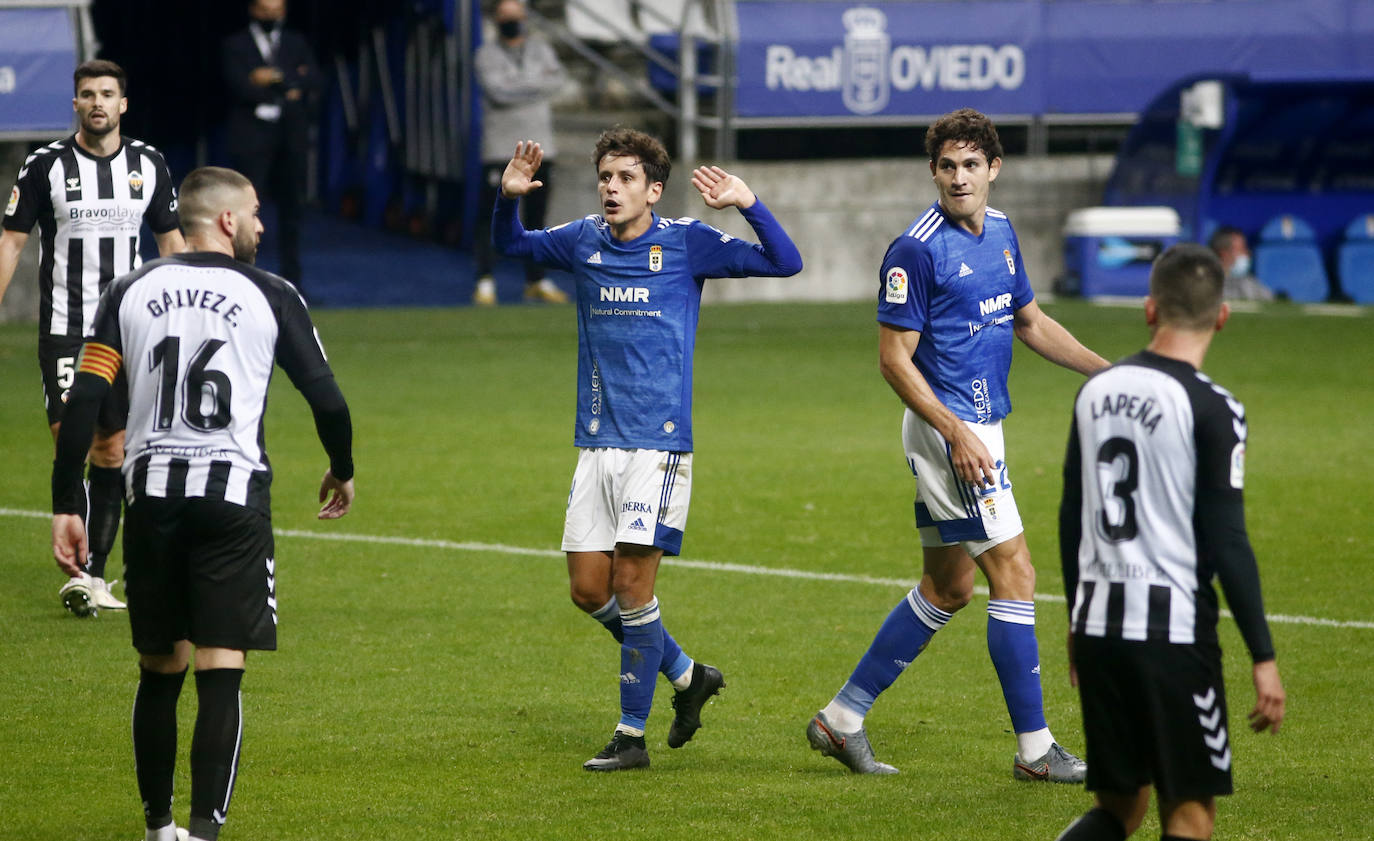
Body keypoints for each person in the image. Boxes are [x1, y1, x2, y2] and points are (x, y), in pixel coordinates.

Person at [50, 165, 355, 841]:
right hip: (232, 501)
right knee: (221, 668)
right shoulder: (272, 293)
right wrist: (342, 467)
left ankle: (158, 829)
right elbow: (328, 400)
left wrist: (66, 501)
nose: (261, 226)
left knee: (161, 667)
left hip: (152, 498)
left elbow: (87, 400)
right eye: (254, 212)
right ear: (225, 220)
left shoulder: (128, 290)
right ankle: (203, 832)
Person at [806, 108, 1109, 779]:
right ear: (934, 172)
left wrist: (1106, 371)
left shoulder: (1000, 231)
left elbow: (1029, 321)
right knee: (1016, 572)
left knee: (948, 586)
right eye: (947, 166)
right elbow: (893, 360)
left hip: (977, 428)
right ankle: (1036, 751)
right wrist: (955, 433)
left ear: (994, 168)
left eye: (972, 164)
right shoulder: (916, 250)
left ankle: (841, 718)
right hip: (949, 431)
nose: (959, 177)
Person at [494, 129, 802, 770]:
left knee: (632, 587)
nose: (612, 188)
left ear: (653, 190)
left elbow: (785, 261)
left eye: (626, 178)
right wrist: (509, 198)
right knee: (589, 590)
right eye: (605, 177)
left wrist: (748, 203)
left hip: (658, 450)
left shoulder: (687, 243)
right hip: (596, 443)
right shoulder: (583, 240)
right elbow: (511, 245)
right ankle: (689, 676)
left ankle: (630, 735)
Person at [1054, 243, 1285, 841]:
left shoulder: (1095, 392)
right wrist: (1263, 658)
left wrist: (1077, 619)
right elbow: (1228, 540)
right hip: (1174, 640)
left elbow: (1072, 515)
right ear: (1223, 316)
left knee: (1119, 808)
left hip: (1100, 629)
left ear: (1150, 309)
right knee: (1190, 814)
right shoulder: (1215, 409)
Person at [0, 58, 185, 616]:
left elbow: (170, 243)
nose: (98, 102)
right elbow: (11, 242)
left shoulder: (149, 164)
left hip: (128, 331)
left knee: (113, 448)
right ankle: (77, 556)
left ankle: (94, 576)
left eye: (107, 93)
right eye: (88, 94)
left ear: (122, 104)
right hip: (65, 330)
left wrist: (184, 314)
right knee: (70, 439)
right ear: (76, 103)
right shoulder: (45, 166)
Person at [471, 0, 569, 307]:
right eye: (506, 16)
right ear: (496, 19)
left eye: (516, 15)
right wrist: (536, 84)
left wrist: (517, 84)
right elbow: (497, 91)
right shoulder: (485, 54)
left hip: (540, 146)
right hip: (500, 148)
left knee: (537, 219)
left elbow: (557, 80)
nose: (511, 21)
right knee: (491, 216)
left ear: (525, 17)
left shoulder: (541, 49)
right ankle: (485, 280)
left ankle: (535, 280)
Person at [221, 0, 320, 287]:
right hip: (251, 138)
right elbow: (237, 85)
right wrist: (286, 85)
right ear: (253, 10)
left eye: (277, 12)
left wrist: (271, 77)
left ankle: (292, 282)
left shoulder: (296, 42)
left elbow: (312, 78)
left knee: (292, 210)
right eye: (266, 11)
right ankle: (242, 278)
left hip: (290, 137)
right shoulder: (235, 44)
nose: (271, 17)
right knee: (245, 209)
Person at [1206, 226, 1273, 302]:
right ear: (1224, 254)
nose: (1248, 253)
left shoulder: (1249, 283)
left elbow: (1270, 298)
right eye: (1242, 249)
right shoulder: (1205, 285)